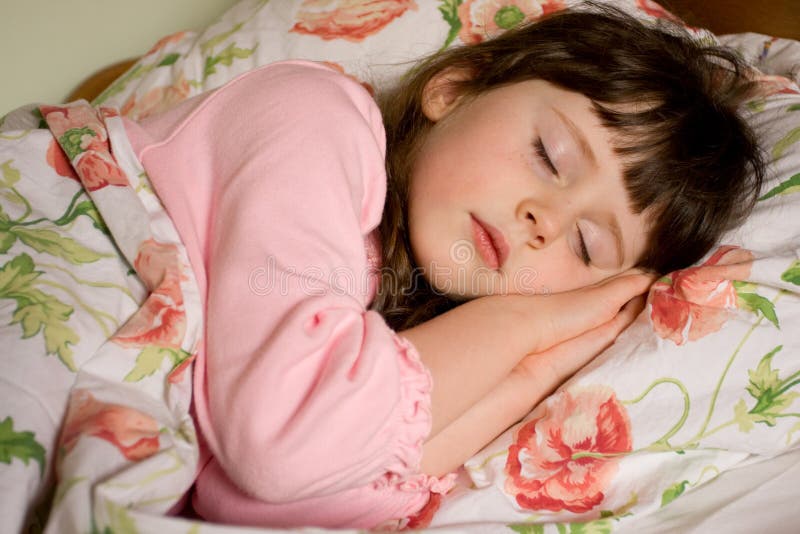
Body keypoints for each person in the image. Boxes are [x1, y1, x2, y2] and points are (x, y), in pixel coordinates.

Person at [118, 5, 764, 530]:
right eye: (549, 154)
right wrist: (522, 324)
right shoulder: (314, 117)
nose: (544, 219)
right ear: (454, 88)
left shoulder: (391, 317)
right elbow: (282, 448)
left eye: (588, 247)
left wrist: (530, 375)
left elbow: (258, 505)